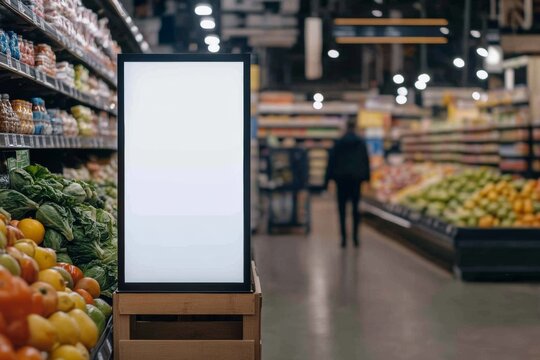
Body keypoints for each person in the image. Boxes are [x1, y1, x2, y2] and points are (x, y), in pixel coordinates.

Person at [325, 118, 371, 248]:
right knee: (355, 210)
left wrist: (327, 180)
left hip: (341, 180)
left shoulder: (339, 142)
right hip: (356, 181)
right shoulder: (361, 143)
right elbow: (365, 161)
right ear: (355, 127)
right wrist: (367, 179)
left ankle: (344, 238)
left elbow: (331, 162)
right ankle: (356, 238)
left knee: (342, 210)